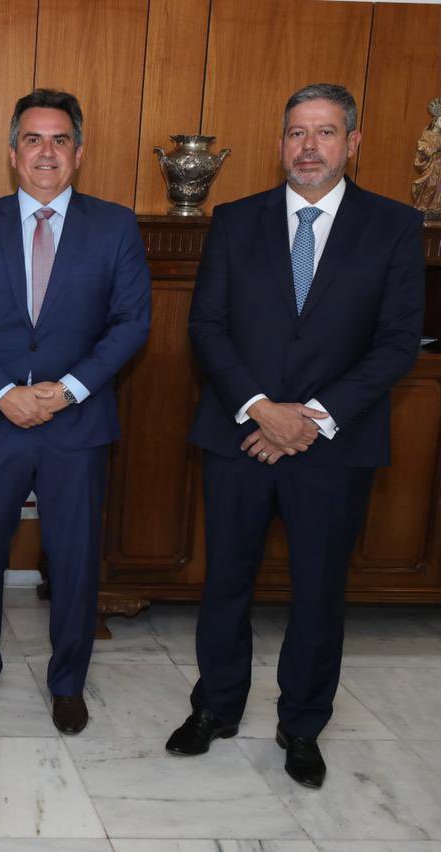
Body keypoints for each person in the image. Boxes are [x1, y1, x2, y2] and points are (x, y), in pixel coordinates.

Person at [166, 83, 424, 788]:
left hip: (335, 446)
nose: (308, 147)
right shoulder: (235, 219)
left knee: (318, 591)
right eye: (296, 133)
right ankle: (215, 708)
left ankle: (302, 724)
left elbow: (398, 343)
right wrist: (259, 408)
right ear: (281, 142)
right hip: (239, 437)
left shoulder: (395, 227)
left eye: (325, 133)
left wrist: (309, 418)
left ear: (353, 142)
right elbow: (207, 328)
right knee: (226, 583)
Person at [0, 89, 151, 732]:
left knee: (76, 558)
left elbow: (131, 322)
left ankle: (68, 683)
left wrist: (66, 390)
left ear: (79, 153)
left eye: (60, 140)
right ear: (12, 153)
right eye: (33, 139)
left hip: (76, 424)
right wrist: (5, 392)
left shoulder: (114, 225)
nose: (46, 152)